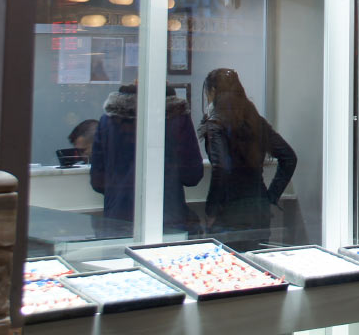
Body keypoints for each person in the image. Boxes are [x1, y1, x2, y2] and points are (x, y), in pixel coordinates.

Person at [197, 68, 297, 250]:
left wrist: (211, 210)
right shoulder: (255, 121)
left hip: (229, 210)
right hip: (258, 208)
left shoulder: (215, 124)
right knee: (256, 263)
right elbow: (289, 157)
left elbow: (221, 168)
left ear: (212, 92)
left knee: (228, 265)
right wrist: (270, 197)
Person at [89, 83, 203, 232]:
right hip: (167, 214)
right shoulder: (178, 120)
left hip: (118, 215)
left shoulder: (107, 121)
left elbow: (98, 181)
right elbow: (192, 175)